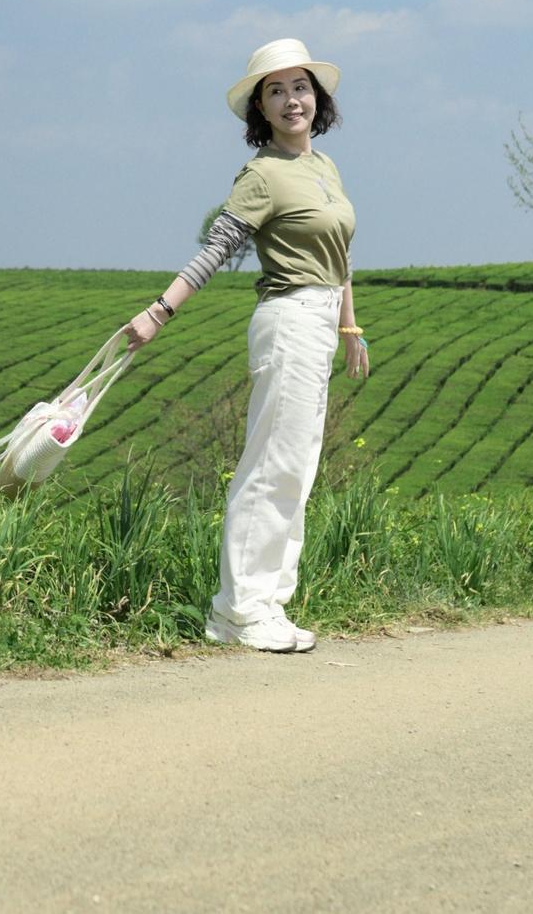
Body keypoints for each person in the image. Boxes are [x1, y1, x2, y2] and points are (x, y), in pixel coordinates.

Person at [123, 38, 367, 654]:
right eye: (276, 90)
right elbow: (217, 247)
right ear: (260, 108)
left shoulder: (324, 168)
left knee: (298, 468)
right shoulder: (262, 175)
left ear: (319, 97)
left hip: (318, 322)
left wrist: (349, 326)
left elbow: (341, 257)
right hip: (285, 318)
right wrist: (160, 311)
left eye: (301, 86)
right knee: (270, 467)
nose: (292, 100)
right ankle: (237, 610)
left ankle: (269, 605)